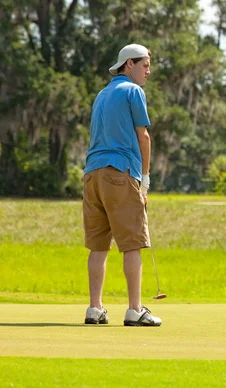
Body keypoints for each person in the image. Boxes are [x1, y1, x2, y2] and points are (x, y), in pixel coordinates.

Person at [82, 43, 161, 326]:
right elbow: (144, 137)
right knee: (132, 244)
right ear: (129, 64)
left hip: (92, 176)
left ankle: (95, 308)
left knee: (98, 246)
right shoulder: (133, 91)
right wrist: (145, 180)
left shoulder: (101, 94)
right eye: (145, 65)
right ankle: (135, 309)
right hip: (120, 173)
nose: (148, 71)